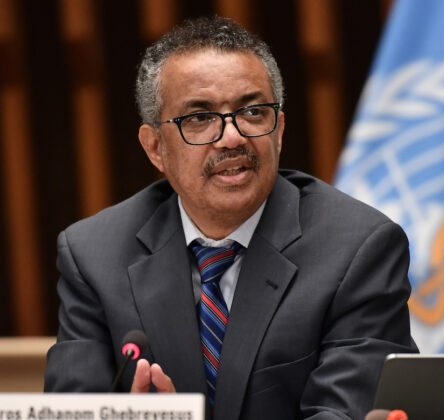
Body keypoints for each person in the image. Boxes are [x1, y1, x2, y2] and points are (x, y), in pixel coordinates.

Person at [44, 16, 417, 420]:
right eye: (199, 118)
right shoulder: (94, 256)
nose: (233, 137)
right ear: (155, 148)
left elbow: (342, 414)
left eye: (254, 111)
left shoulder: (359, 248)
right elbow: (73, 411)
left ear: (279, 130)